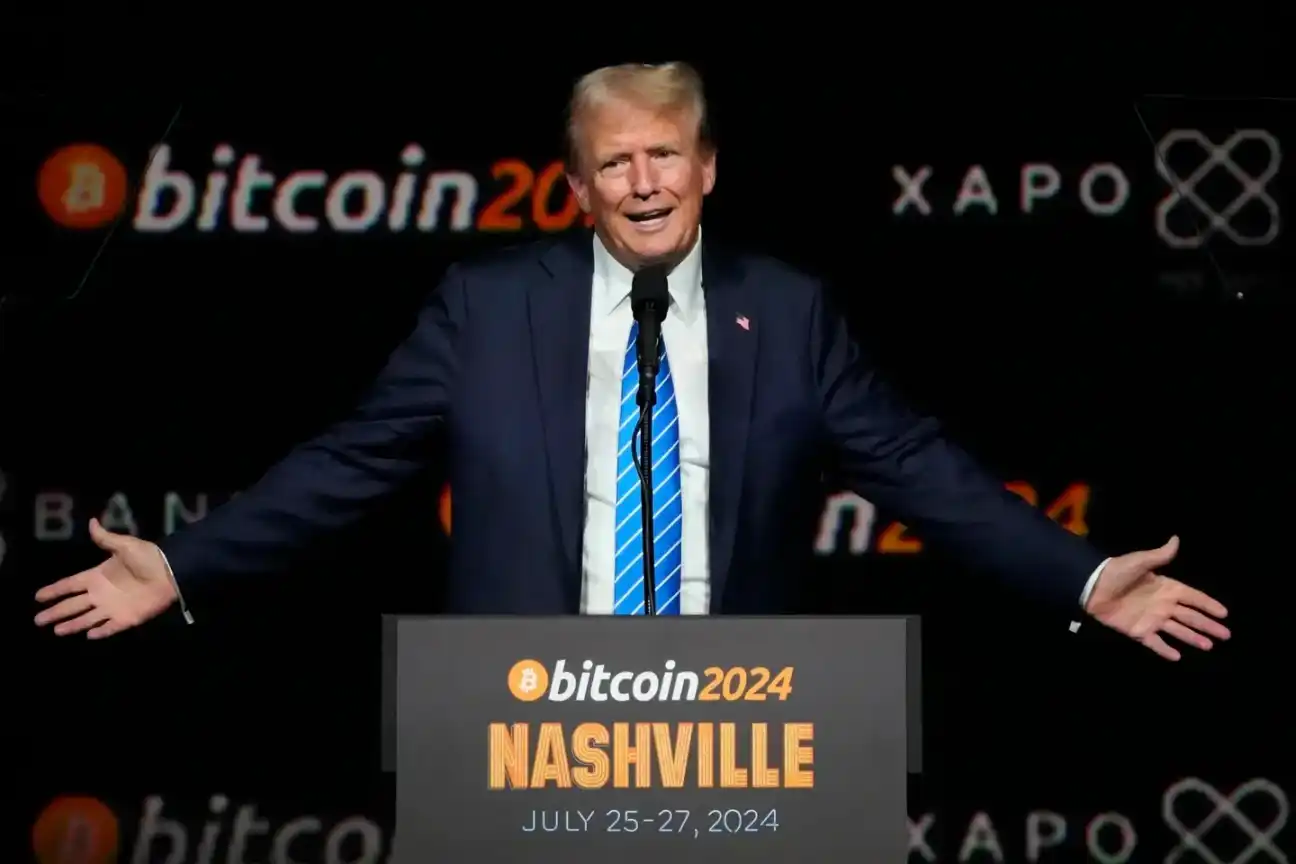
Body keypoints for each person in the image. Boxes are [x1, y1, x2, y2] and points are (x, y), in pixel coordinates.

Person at [34, 62, 1229, 660]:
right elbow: (349, 463)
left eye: (665, 156)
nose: (644, 183)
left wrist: (1083, 577)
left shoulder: (788, 310)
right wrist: (183, 564)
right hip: (522, 726)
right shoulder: (487, 307)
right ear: (578, 185)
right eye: (616, 163)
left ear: (708, 168)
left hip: (735, 730)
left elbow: (920, 468)